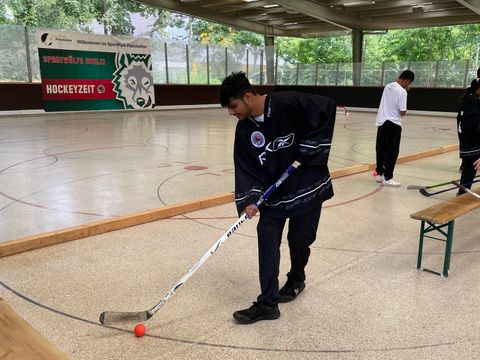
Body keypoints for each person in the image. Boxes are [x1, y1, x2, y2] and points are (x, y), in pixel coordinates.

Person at [219, 72, 335, 324]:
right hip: (275, 192)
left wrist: (310, 148)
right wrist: (250, 198)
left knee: (299, 239)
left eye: (233, 106)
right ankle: (268, 303)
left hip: (307, 183)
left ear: (248, 96)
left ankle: (296, 279)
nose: (231, 112)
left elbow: (326, 108)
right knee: (267, 236)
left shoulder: (286, 102)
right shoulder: (244, 130)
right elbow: (247, 167)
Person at [374, 70, 415, 187]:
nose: (409, 86)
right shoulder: (402, 92)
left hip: (382, 122)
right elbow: (402, 111)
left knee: (381, 148)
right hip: (393, 124)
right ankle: (388, 177)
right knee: (392, 151)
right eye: (409, 83)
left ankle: (379, 174)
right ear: (407, 80)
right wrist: (405, 91)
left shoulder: (388, 86)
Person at [456, 78, 480, 195]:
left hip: (467, 140)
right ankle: (462, 193)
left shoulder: (468, 98)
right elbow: (473, 124)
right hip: (472, 141)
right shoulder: (473, 101)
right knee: (470, 169)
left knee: (469, 169)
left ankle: (463, 192)